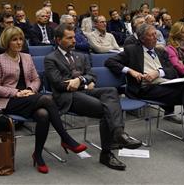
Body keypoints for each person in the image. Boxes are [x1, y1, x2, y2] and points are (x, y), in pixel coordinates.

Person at [105, 23, 184, 159]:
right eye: (152, 35)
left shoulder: (160, 51)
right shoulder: (132, 50)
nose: (156, 37)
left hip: (164, 85)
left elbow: (172, 71)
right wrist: (130, 71)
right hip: (145, 88)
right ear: (142, 38)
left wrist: (158, 72)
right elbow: (110, 62)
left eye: (156, 34)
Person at [45, 24, 142, 171]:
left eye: (74, 37)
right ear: (58, 40)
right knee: (106, 110)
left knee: (110, 91)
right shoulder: (50, 58)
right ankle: (107, 152)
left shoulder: (81, 56)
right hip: (67, 97)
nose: (74, 40)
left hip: (83, 91)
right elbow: (59, 84)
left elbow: (92, 75)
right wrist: (84, 83)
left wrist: (80, 80)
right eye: (69, 38)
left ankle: (118, 133)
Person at [0, 26, 87, 174]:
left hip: (30, 96)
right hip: (10, 100)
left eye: (21, 39)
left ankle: (38, 154)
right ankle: (66, 138)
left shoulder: (27, 57)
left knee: (44, 115)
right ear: (7, 42)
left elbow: (36, 79)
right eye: (14, 39)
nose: (19, 42)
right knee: (47, 99)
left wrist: (29, 90)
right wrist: (17, 93)